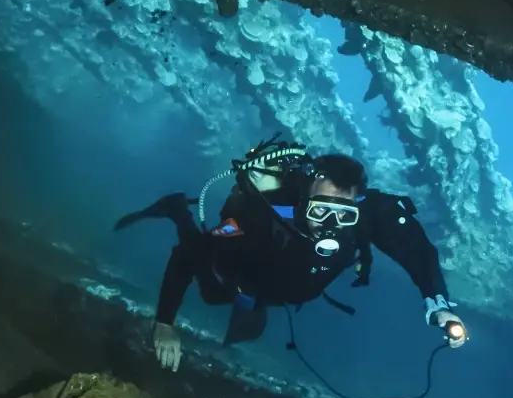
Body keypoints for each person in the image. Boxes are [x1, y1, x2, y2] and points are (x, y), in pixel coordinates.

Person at [115, 137, 468, 371]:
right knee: (212, 294)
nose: (329, 225)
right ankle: (178, 210)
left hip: (288, 288)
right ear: (302, 202)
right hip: (249, 277)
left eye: (343, 215)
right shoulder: (262, 215)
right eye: (319, 212)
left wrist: (438, 304)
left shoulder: (369, 215)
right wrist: (165, 322)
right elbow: (190, 253)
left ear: (357, 205)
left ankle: (251, 303)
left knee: (253, 306)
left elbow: (416, 249)